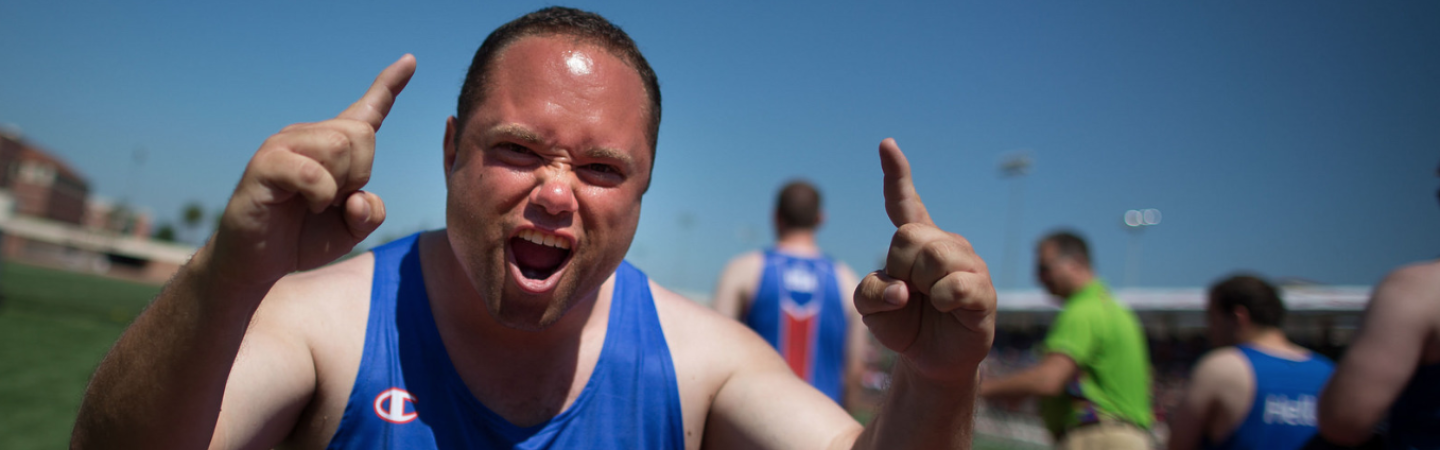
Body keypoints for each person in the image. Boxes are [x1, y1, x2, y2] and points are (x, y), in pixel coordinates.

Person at [70, 7, 997, 449]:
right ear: (450, 153)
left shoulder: (699, 362)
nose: (558, 196)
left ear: (641, 195)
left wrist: (940, 377)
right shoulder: (324, 325)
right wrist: (227, 276)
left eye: (601, 170)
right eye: (519, 150)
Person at [979, 231, 1153, 449]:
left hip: (1098, 437)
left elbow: (1049, 380)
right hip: (1127, 436)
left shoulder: (1082, 311)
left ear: (1076, 263)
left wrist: (981, 389)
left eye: (1044, 268)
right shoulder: (1115, 309)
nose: (1039, 277)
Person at [712, 180, 867, 409]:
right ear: (820, 219)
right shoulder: (848, 281)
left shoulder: (743, 270)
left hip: (752, 422)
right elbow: (855, 368)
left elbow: (716, 351)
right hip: (824, 427)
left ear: (775, 216)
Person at [1168, 275, 1334, 450]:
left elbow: (1178, 445)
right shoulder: (1328, 372)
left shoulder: (1222, 368)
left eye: (1211, 317)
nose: (1208, 329)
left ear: (1238, 317)